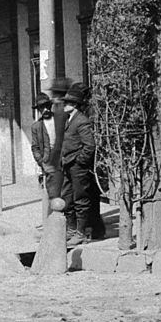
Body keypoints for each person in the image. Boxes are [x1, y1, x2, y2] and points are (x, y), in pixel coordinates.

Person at [60, 83, 95, 247]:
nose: (64, 105)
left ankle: (81, 232)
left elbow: (89, 145)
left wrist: (80, 161)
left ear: (74, 105)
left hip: (77, 166)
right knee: (67, 197)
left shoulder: (81, 121)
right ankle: (71, 229)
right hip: (67, 164)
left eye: (66, 103)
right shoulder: (69, 119)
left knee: (80, 198)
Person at [29, 92, 56, 189]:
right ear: (39, 109)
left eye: (47, 106)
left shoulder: (61, 120)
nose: (45, 110)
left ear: (50, 106)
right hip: (47, 163)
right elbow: (35, 147)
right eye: (41, 107)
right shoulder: (36, 127)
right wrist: (41, 162)